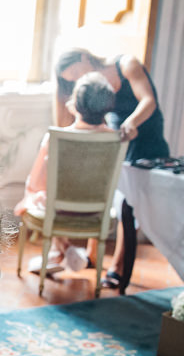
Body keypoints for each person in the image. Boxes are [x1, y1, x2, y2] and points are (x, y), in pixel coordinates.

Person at [53, 49, 170, 287]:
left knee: (131, 204)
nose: (75, 80)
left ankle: (118, 267)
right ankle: (93, 257)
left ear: (85, 58)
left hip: (145, 134)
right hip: (119, 138)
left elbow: (149, 101)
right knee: (107, 195)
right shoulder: (92, 88)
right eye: (70, 79)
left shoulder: (127, 64)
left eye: (75, 73)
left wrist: (131, 123)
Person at [16, 72, 116, 273]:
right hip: (97, 210)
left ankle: (60, 249)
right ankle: (59, 252)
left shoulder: (55, 137)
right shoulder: (116, 139)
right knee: (48, 197)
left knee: (36, 196)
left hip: (59, 209)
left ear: (75, 105)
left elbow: (36, 182)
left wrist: (35, 193)